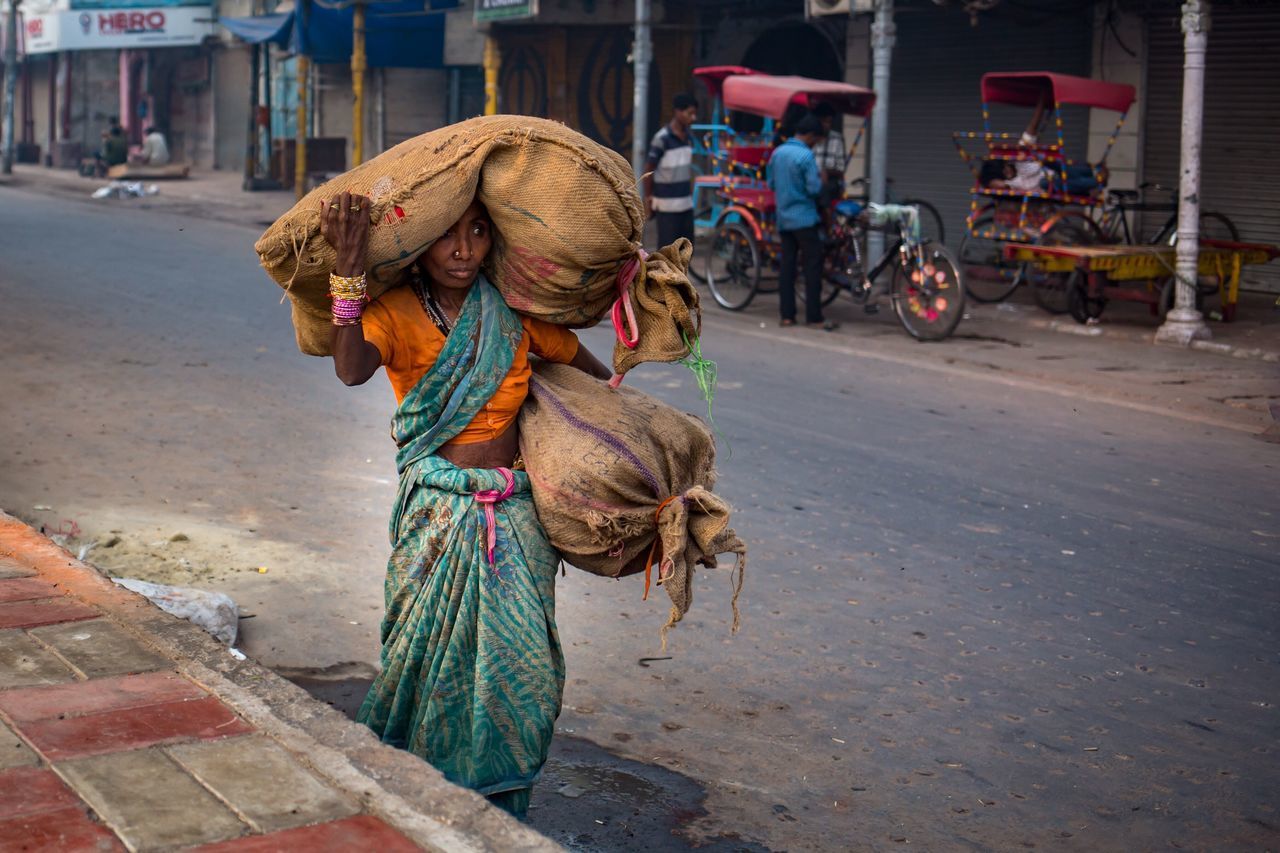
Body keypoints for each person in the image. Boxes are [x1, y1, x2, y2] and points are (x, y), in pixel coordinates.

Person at [319, 191, 612, 819]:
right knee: (419, 665)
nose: (462, 250)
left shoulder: (511, 313)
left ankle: (496, 807)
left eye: (477, 233)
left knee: (523, 673)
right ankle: (412, 797)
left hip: (514, 515)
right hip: (436, 516)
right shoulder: (393, 312)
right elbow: (349, 369)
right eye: (447, 236)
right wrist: (349, 268)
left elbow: (596, 385)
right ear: (418, 248)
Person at [767, 114, 836, 331]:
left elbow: (770, 183)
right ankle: (814, 317)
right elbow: (814, 189)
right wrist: (823, 180)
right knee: (812, 267)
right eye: (816, 139)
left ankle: (787, 316)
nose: (815, 144)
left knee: (787, 267)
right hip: (805, 220)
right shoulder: (806, 156)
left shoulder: (777, 153)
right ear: (810, 135)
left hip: (784, 219)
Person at [979, 93, 1105, 196]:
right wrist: (1000, 183)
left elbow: (1032, 128)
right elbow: (994, 184)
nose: (1007, 173)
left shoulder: (1020, 159)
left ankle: (1094, 175)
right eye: (1004, 175)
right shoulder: (1013, 183)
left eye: (1005, 169)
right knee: (1048, 182)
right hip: (1051, 186)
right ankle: (1095, 181)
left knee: (1054, 164)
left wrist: (1042, 100)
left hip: (1059, 173)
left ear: (1006, 164)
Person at [643, 93, 698, 249]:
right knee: (667, 253)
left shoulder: (688, 137)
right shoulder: (662, 138)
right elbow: (649, 169)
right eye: (690, 113)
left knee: (686, 251)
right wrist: (649, 198)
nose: (693, 118)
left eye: (694, 114)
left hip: (686, 205)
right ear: (678, 112)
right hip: (667, 207)